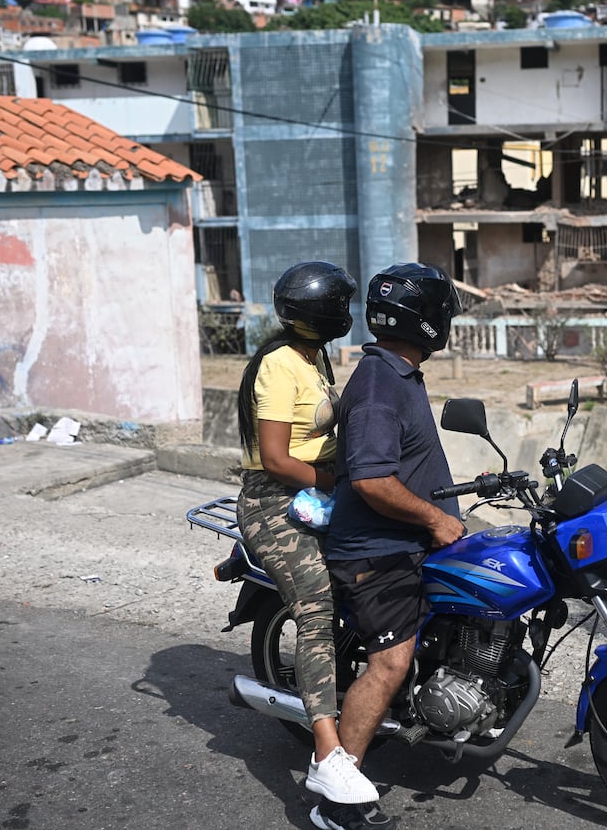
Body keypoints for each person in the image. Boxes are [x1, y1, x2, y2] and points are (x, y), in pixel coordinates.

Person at [315, 262, 466, 830]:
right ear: (425, 320)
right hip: (375, 550)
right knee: (389, 662)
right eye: (442, 311)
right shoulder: (381, 385)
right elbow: (374, 481)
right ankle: (337, 796)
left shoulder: (395, 371)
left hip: (405, 539)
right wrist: (434, 518)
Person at [233, 262, 381, 811]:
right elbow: (274, 459)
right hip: (275, 502)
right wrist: (339, 485)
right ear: (325, 314)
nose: (348, 314)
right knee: (317, 607)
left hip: (321, 489)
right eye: (341, 306)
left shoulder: (313, 356)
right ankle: (327, 757)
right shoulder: (277, 365)